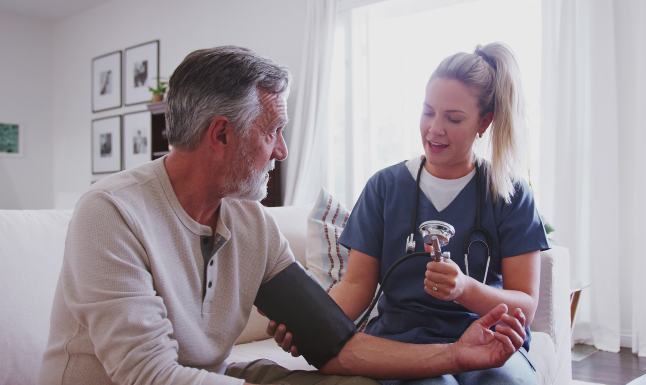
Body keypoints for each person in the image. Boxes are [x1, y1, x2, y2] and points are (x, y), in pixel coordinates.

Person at [38, 45, 528, 385]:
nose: (282, 150)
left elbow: (336, 344)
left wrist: (455, 355)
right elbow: (150, 376)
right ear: (222, 135)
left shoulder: (250, 224)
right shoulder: (111, 214)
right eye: (273, 130)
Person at [271, 42, 549, 385]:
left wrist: (464, 288)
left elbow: (525, 306)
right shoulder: (385, 188)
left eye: (453, 118)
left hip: (488, 340)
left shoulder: (511, 194)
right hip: (403, 341)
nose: (435, 128)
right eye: (428, 111)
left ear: (485, 121)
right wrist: (311, 325)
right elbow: (356, 285)